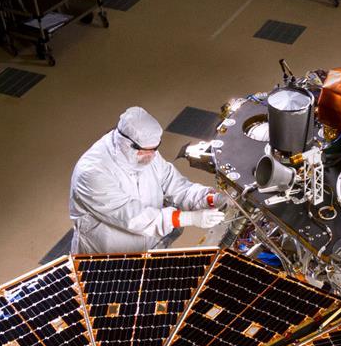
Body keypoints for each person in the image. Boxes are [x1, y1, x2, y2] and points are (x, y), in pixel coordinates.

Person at [69, 107, 225, 254]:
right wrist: (189, 218)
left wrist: (212, 199)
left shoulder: (147, 153)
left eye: (155, 149)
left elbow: (178, 187)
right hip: (107, 258)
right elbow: (133, 217)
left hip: (149, 249)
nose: (152, 156)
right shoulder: (92, 172)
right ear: (126, 144)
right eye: (146, 151)